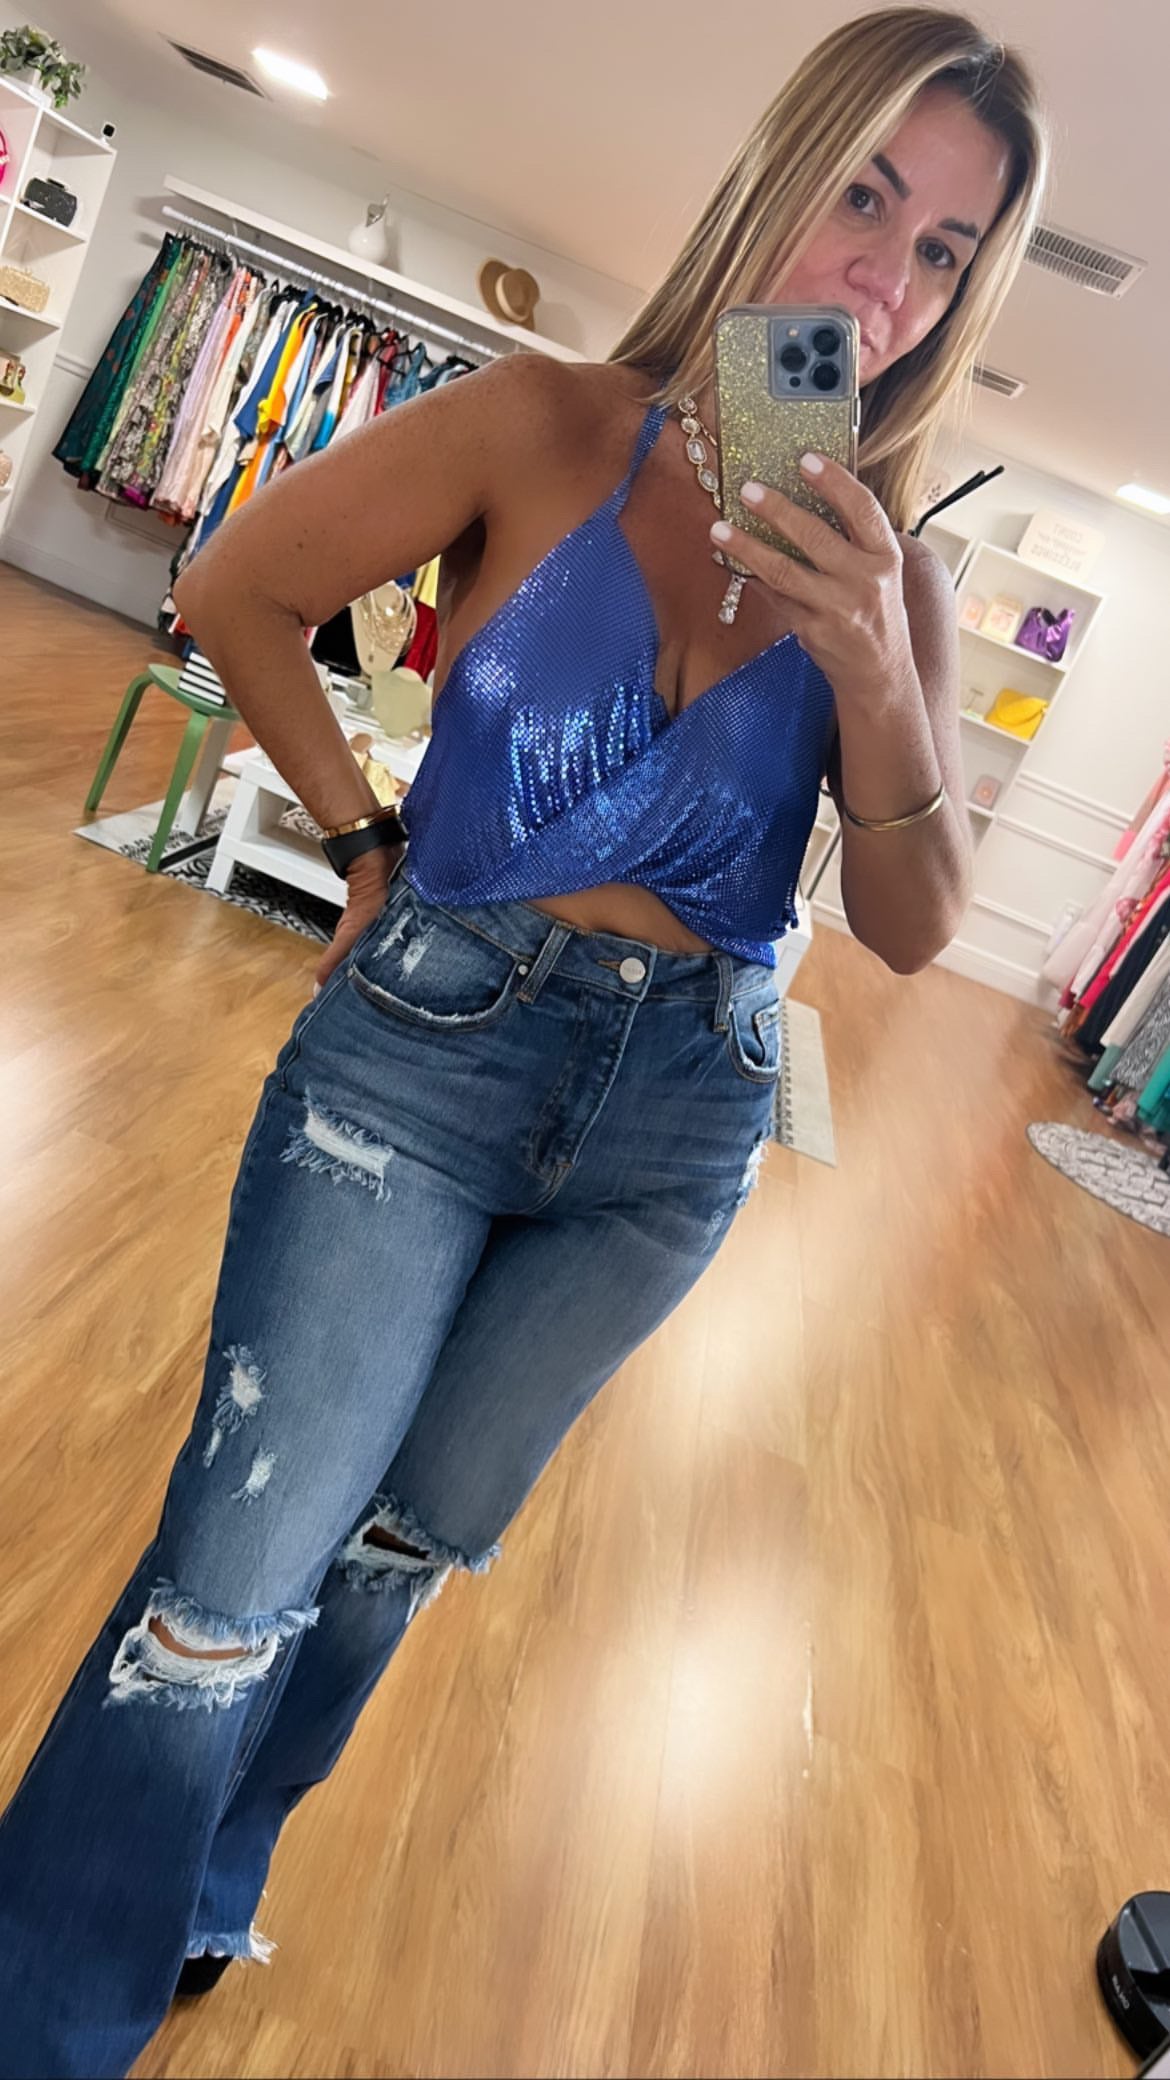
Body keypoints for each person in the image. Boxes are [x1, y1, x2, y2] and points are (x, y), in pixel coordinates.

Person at [0, 8, 1046, 2072]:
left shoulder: (901, 582)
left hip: (681, 1122)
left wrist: (875, 669)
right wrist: (365, 844)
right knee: (232, 1570)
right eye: (865, 198)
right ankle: (44, 2016)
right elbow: (237, 587)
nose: (884, 277)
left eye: (943, 252)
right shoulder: (544, 420)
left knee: (400, 1553)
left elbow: (918, 931)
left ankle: (203, 1879)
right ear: (781, 171)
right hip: (421, 1055)